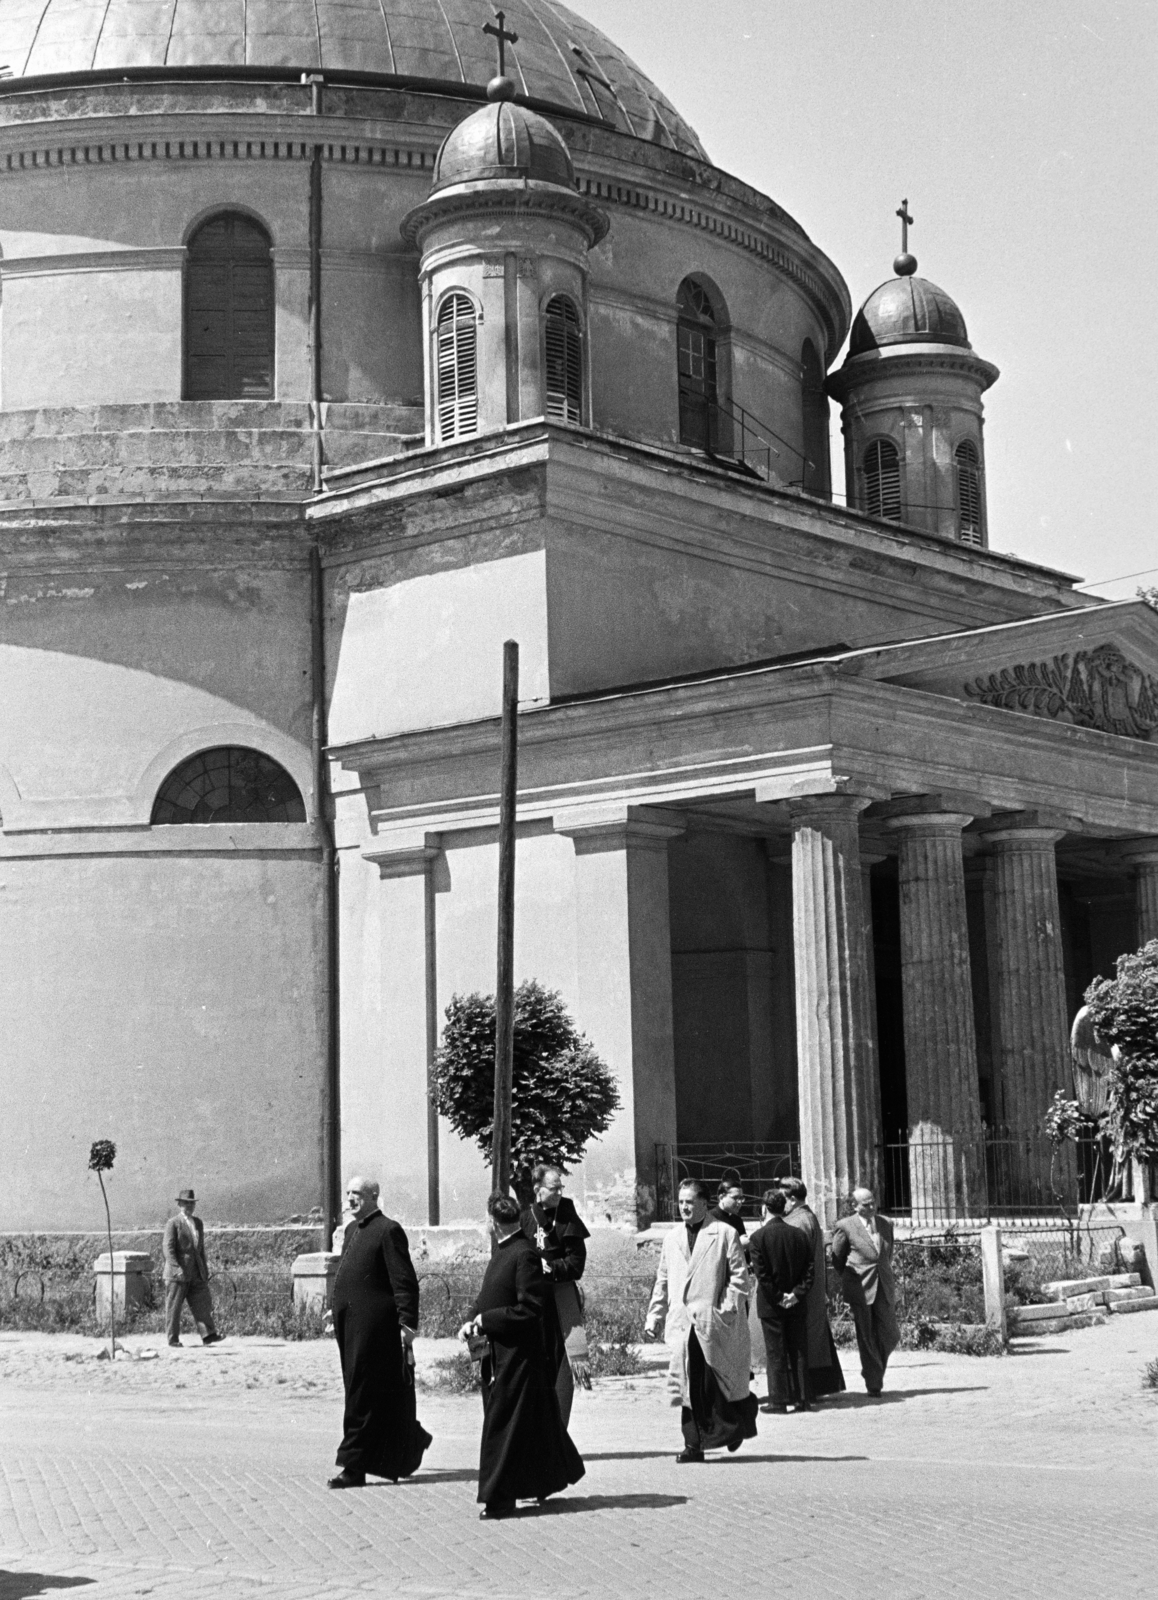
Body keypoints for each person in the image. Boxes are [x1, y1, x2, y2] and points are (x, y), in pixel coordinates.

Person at [460, 1193, 585, 1520]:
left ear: (491, 1222)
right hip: (498, 1354)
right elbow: (489, 1295)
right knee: (535, 1422)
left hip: (518, 1358)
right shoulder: (503, 1252)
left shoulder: (524, 1254)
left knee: (502, 1425)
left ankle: (499, 1498)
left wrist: (487, 1320)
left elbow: (530, 1308)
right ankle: (549, 1475)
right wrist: (471, 1318)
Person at [328, 1176, 432, 1489]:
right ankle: (410, 1440)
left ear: (374, 1196)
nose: (349, 1200)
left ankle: (354, 1466)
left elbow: (404, 1281)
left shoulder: (389, 1229)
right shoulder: (350, 1230)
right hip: (349, 1323)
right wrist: (336, 1306)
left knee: (361, 1392)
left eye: (356, 1194)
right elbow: (351, 1271)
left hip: (375, 1326)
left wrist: (407, 1323)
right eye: (347, 1193)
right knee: (363, 1390)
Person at [644, 1178, 758, 1462]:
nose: (684, 1207)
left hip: (714, 1320)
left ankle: (738, 1424)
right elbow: (663, 1279)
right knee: (688, 1383)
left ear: (704, 1203)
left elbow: (739, 1278)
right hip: (683, 1322)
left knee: (716, 1380)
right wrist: (654, 1316)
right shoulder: (672, 1238)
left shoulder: (723, 1233)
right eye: (680, 1202)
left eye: (690, 1202)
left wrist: (727, 1308)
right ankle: (693, 1445)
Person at [520, 1163, 590, 1427]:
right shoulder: (525, 1218)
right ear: (538, 1191)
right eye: (554, 1188)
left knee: (562, 1366)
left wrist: (551, 1268)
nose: (560, 1191)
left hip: (561, 1304)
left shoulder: (568, 1215)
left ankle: (558, 1430)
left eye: (561, 1187)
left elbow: (576, 1264)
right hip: (531, 1303)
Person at [830, 1186, 899, 1397]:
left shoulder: (886, 1224)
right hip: (860, 1287)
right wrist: (851, 1277)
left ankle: (873, 1368)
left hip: (883, 1285)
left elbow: (887, 1254)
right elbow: (837, 1257)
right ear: (854, 1206)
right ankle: (873, 1380)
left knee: (890, 1333)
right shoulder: (845, 1226)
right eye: (865, 1204)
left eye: (873, 1202)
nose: (871, 1207)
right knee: (866, 1334)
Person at [749, 1189, 814, 1413]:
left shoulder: (758, 1238)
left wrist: (778, 1298)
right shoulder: (799, 1235)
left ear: (764, 1209)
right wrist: (795, 1295)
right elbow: (809, 1271)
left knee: (775, 1353)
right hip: (797, 1303)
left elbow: (762, 1276)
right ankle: (802, 1399)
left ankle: (778, 1400)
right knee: (798, 1351)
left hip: (771, 1306)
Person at [780, 1176, 845, 1397]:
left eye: (782, 1198)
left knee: (802, 1340)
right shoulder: (807, 1217)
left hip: (800, 1293)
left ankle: (801, 1390)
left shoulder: (798, 1221)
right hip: (810, 1290)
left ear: (791, 1198)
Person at [162, 1188, 223, 1348]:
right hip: (178, 1274)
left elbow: (200, 1249)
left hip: (196, 1272)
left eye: (191, 1204)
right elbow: (168, 1249)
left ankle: (208, 1335)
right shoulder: (173, 1223)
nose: (189, 1207)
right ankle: (173, 1339)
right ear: (179, 1205)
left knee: (202, 1302)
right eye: (185, 1204)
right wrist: (176, 1269)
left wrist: (204, 1268)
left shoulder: (198, 1223)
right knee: (174, 1307)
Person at [708, 1182, 750, 1259]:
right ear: (721, 1197)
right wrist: (739, 1244)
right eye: (735, 1198)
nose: (739, 1202)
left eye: (741, 1198)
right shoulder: (709, 1219)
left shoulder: (737, 1220)